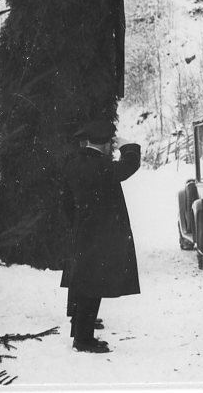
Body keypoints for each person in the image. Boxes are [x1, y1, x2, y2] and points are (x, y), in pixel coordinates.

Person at [60, 134, 142, 353]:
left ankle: (80, 332)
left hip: (82, 232)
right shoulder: (101, 165)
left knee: (83, 284)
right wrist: (128, 146)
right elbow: (129, 166)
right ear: (105, 144)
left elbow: (66, 203)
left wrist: (78, 224)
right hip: (98, 235)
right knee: (92, 286)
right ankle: (83, 340)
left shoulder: (74, 163)